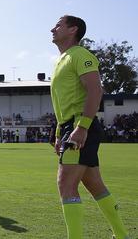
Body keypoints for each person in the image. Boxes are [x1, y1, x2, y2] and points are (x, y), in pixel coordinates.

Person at [49, 15, 128, 239]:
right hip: (70, 126)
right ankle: (122, 235)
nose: (52, 29)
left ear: (73, 30)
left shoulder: (80, 55)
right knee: (95, 185)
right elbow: (63, 103)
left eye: (58, 25)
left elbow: (95, 90)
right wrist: (58, 133)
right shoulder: (61, 60)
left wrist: (81, 127)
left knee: (66, 185)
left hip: (79, 126)